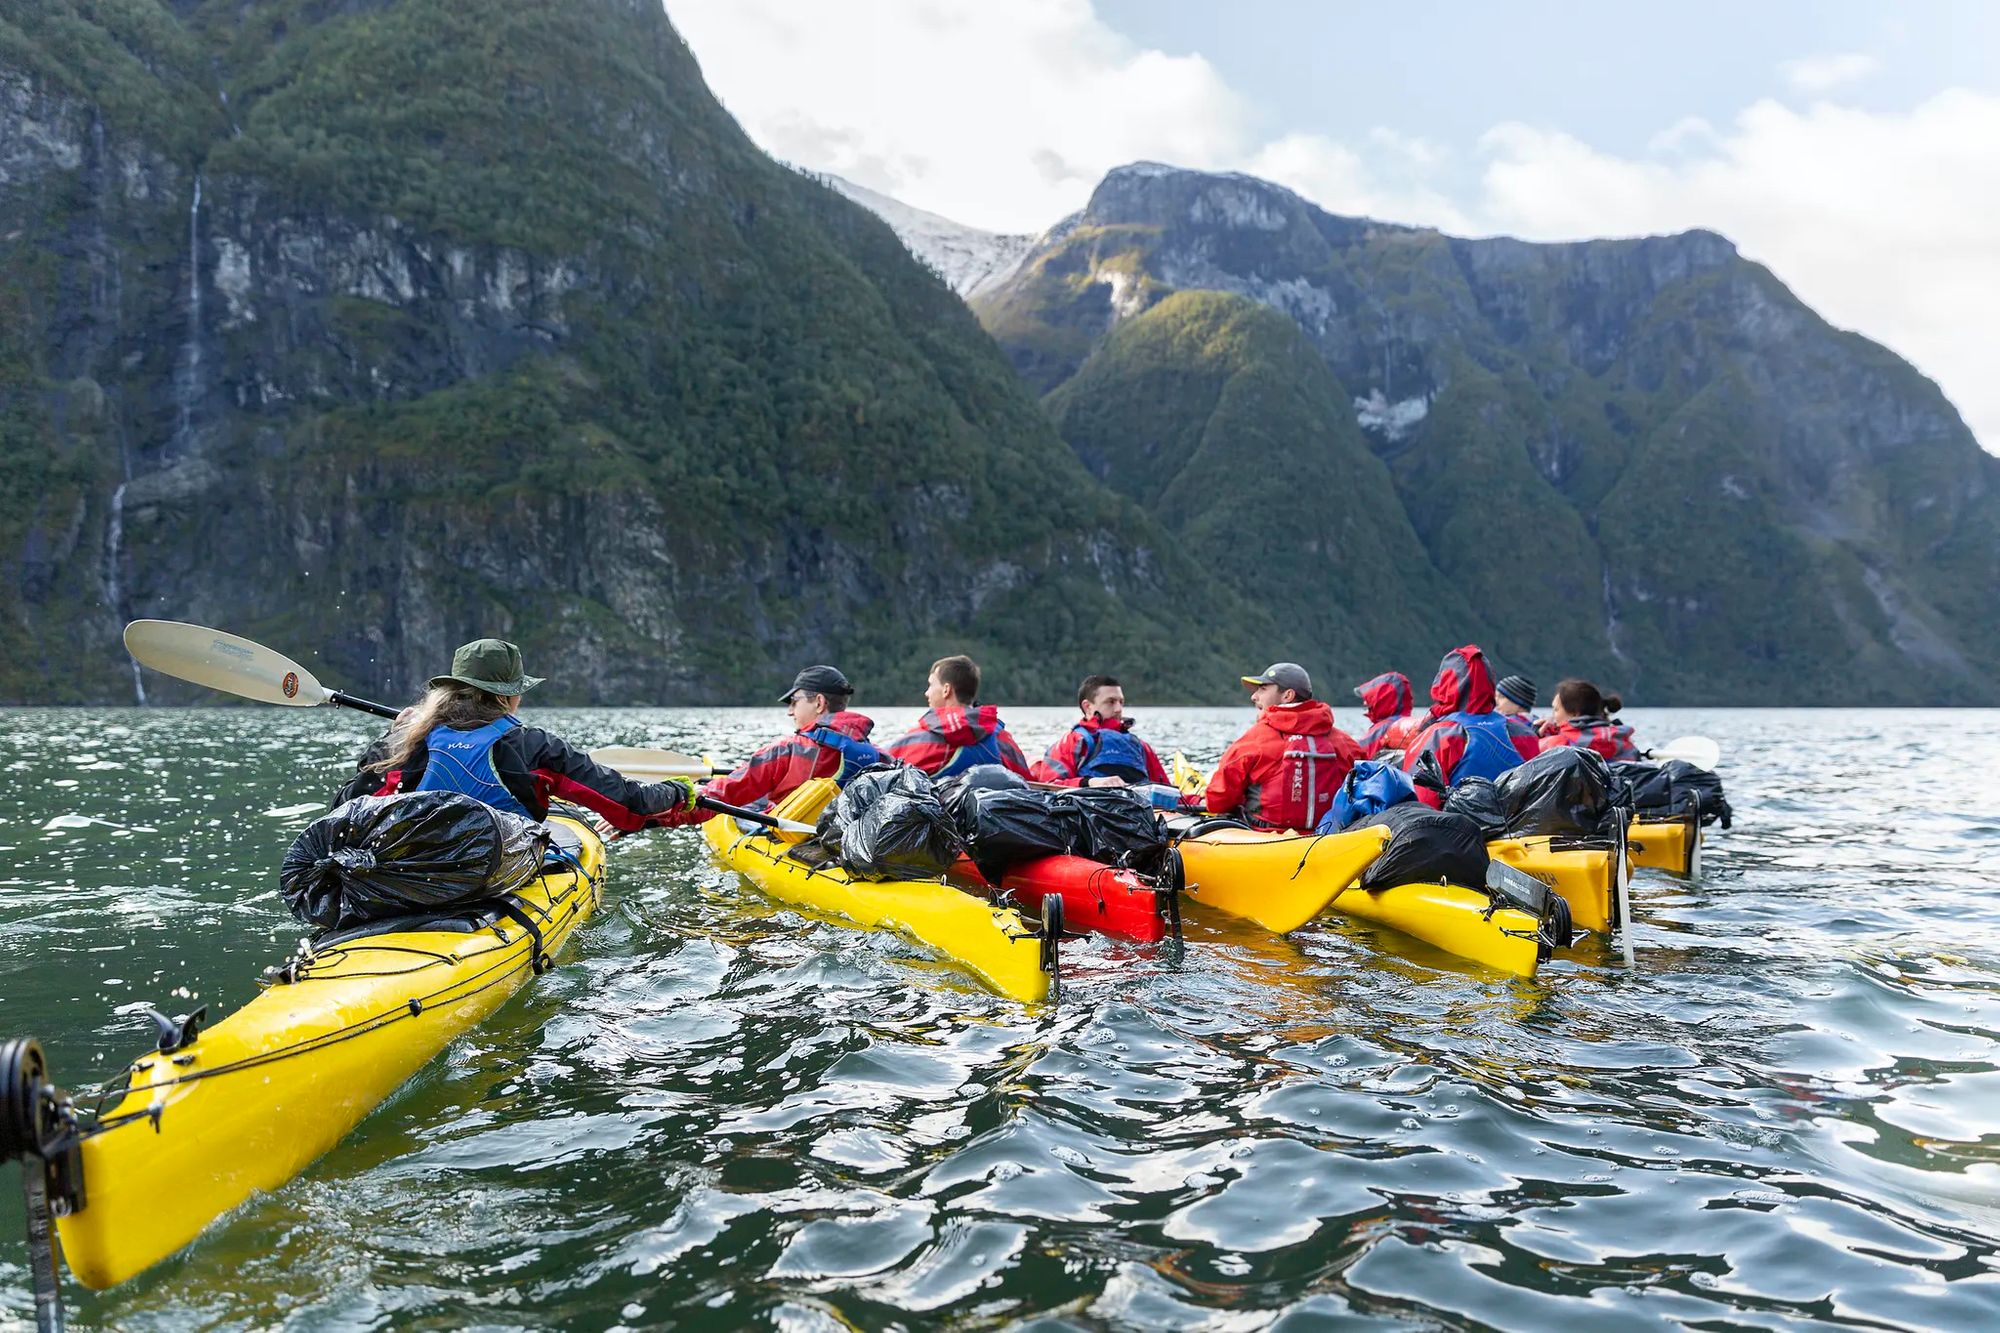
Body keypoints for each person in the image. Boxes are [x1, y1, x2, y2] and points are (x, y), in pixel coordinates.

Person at [334, 638, 706, 830]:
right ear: (508, 696)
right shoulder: (535, 746)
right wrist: (677, 790)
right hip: (489, 873)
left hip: (410, 867)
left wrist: (394, 735)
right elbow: (630, 807)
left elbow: (346, 808)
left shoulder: (406, 742)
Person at [1200, 662, 1361, 832]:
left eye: (1262, 689)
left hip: (1265, 839)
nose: (1254, 697)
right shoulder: (1345, 743)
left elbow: (1218, 801)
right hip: (1326, 838)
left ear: (1288, 695)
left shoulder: (1254, 740)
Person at [703, 665, 884, 810]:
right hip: (841, 839)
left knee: (752, 805)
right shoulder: (876, 754)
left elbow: (726, 792)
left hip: (791, 839)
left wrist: (680, 799)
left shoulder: (786, 751)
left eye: (794, 702)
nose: (790, 711)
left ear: (819, 703)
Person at [1400, 644, 1541, 808]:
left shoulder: (1438, 735)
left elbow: (1419, 804)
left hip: (1459, 830)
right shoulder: (1525, 733)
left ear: (1444, 684)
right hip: (1518, 827)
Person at [883, 654, 1032, 778]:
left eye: (931, 685)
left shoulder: (920, 739)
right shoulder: (1002, 738)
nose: (927, 693)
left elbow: (881, 763)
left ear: (946, 690)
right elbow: (1026, 779)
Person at [1032, 674, 1174, 788]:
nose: (1118, 709)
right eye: (1111, 702)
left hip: (1138, 812)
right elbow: (1049, 786)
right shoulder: (1072, 742)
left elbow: (1167, 789)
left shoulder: (1140, 746)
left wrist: (1195, 801)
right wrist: (1090, 782)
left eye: (1121, 702)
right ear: (1087, 707)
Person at [1540, 678, 1640, 760]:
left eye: (1556, 709)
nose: (1553, 716)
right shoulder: (1621, 738)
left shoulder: (1560, 743)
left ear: (1575, 713)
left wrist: (1538, 733)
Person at [1352, 671, 1415, 758]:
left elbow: (1355, 754)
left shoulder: (1382, 728)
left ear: (1381, 700)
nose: (1365, 702)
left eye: (1369, 698)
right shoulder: (1407, 725)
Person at [1492, 673, 1544, 753]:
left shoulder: (1508, 724)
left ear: (1519, 703)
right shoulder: (1538, 723)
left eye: (1501, 697)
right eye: (1495, 696)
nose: (1495, 701)